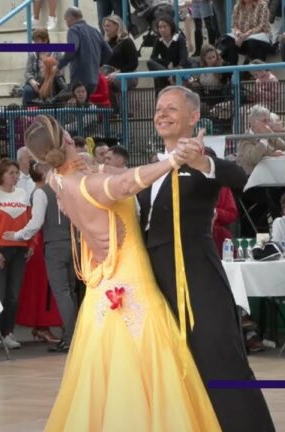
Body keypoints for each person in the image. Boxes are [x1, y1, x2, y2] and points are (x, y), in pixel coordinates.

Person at [24, 114, 222, 430]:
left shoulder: (58, 179)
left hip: (101, 285)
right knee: (148, 365)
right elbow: (128, 182)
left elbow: (118, 173)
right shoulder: (89, 184)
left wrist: (164, 159)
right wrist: (174, 160)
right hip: (131, 281)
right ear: (69, 140)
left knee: (104, 377)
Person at [136, 86, 274, 431]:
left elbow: (238, 177)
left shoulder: (202, 160)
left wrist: (201, 161)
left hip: (195, 273)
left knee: (218, 357)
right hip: (153, 279)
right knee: (170, 366)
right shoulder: (151, 168)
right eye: (159, 108)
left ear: (194, 117)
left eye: (171, 108)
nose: (162, 113)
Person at [0, 159, 34, 350]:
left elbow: (30, 221)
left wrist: (31, 244)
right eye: (11, 172)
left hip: (19, 250)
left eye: (16, 173)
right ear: (1, 174)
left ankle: (7, 332)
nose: (15, 176)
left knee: (13, 296)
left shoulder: (23, 194)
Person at [6, 161, 63, 345]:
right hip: (39, 242)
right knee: (42, 285)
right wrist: (18, 236)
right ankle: (42, 325)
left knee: (43, 285)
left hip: (39, 240)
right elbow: (35, 222)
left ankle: (44, 325)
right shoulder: (39, 193)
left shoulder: (40, 191)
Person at [59, 7, 112, 96]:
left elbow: (72, 48)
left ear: (71, 18)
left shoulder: (73, 30)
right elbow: (109, 52)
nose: (67, 24)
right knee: (86, 104)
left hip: (79, 78)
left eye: (66, 20)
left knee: (74, 104)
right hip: (94, 79)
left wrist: (59, 65)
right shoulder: (95, 31)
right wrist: (97, 64)